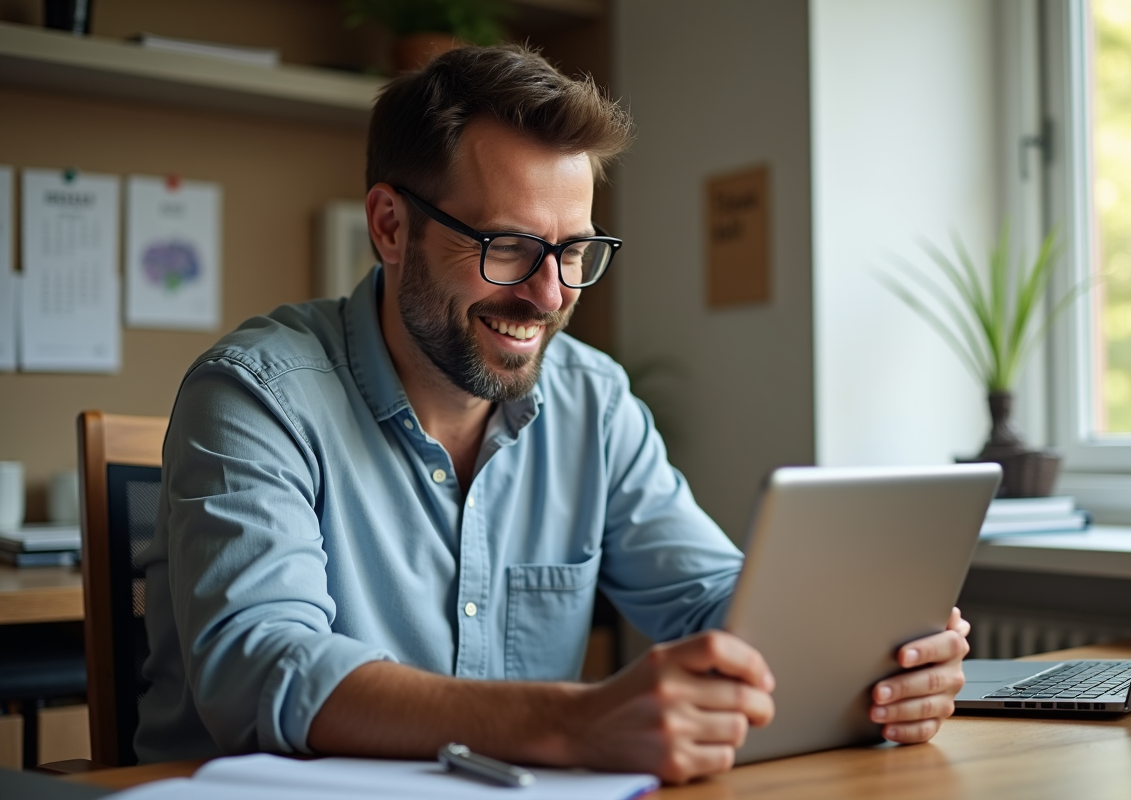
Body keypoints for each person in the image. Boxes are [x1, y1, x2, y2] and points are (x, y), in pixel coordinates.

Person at [137, 43, 970, 784]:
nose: (550, 295)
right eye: (507, 247)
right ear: (391, 227)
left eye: (574, 251)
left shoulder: (593, 401)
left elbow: (712, 600)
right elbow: (264, 671)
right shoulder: (254, 396)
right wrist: (575, 723)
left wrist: (871, 662)